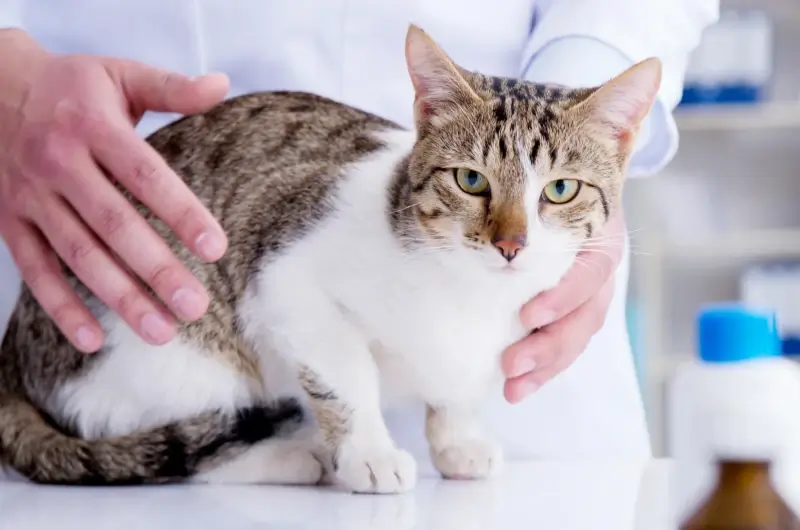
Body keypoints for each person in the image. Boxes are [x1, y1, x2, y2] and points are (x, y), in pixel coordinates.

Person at [0, 1, 718, 463]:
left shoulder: (541, 193)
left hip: (530, 409)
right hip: (90, 219)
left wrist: (580, 122)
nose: (510, 230)